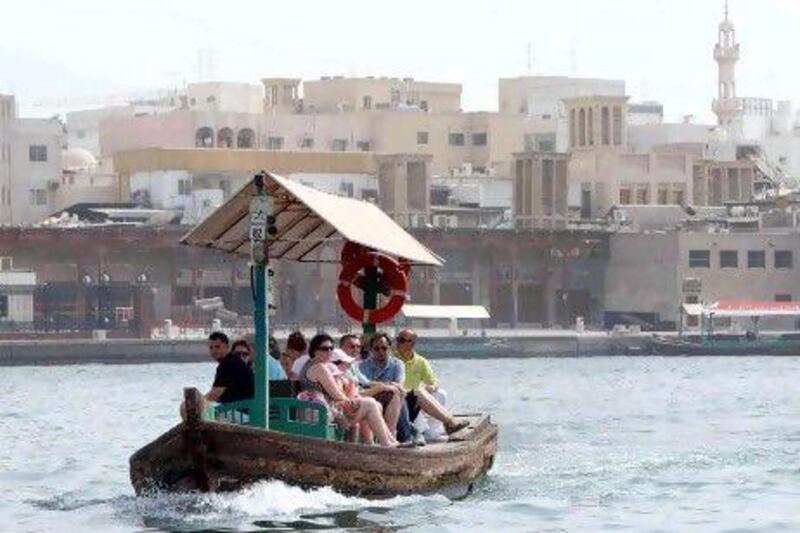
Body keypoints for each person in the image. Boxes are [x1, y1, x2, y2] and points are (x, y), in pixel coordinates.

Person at [298, 333, 397, 447]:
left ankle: (388, 442)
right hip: (320, 414)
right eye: (325, 349)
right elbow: (336, 394)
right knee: (369, 403)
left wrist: (352, 399)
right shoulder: (320, 367)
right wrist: (351, 401)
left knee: (370, 403)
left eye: (331, 348)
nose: (329, 352)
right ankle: (386, 443)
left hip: (317, 411)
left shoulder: (312, 365)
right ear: (315, 351)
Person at [394, 329, 468, 435]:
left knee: (440, 393)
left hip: (415, 400)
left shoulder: (421, 361)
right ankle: (450, 422)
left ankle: (436, 428)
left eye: (402, 340)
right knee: (418, 391)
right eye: (398, 340)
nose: (398, 343)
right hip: (400, 400)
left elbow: (433, 382)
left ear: (412, 343)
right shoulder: (392, 360)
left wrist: (430, 387)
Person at [359, 333, 422, 444]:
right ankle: (397, 437)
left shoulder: (397, 364)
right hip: (373, 398)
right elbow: (365, 385)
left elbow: (399, 384)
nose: (381, 352)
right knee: (396, 394)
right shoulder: (363, 365)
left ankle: (391, 437)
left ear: (389, 348)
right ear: (371, 350)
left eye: (384, 348)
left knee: (397, 394)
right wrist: (386, 386)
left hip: (392, 399)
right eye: (376, 349)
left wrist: (382, 386)